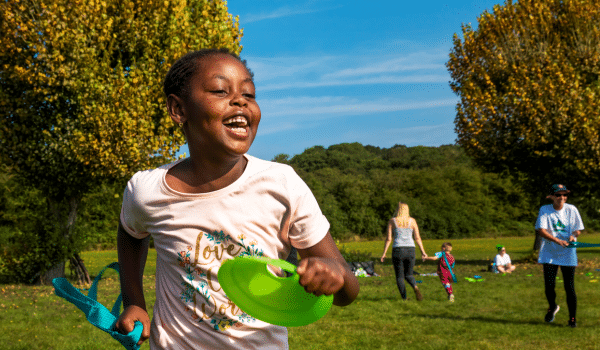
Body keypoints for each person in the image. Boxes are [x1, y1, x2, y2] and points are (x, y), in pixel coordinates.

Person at [114, 48, 360, 349]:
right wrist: (133, 301)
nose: (240, 100)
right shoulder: (148, 190)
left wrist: (336, 274)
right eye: (220, 90)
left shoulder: (282, 184)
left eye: (250, 94)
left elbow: (348, 291)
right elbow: (130, 232)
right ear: (178, 109)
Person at [535, 184, 584, 328]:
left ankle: (572, 319)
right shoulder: (545, 209)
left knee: (569, 287)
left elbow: (578, 229)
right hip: (549, 252)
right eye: (558, 195)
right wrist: (557, 240)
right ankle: (552, 307)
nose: (562, 198)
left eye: (564, 195)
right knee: (549, 286)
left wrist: (573, 236)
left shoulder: (572, 209)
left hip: (568, 253)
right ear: (551, 197)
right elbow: (541, 231)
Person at [380, 202, 427, 301]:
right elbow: (417, 238)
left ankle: (404, 298)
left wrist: (384, 253)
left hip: (398, 250)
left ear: (398, 210)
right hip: (411, 249)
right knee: (409, 274)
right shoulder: (412, 221)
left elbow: (389, 239)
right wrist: (423, 251)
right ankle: (415, 287)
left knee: (400, 276)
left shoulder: (392, 221)